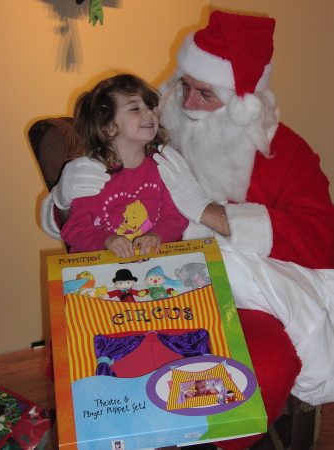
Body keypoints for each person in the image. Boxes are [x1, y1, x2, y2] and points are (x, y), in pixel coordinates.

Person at [40, 10, 334, 450]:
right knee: (85, 359)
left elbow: (321, 236)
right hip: (147, 278)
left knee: (261, 368)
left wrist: (207, 211)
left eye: (207, 94)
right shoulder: (155, 130)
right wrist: (62, 199)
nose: (188, 105)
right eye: (186, 88)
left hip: (244, 295)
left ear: (242, 104)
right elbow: (96, 209)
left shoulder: (286, 153)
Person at [59, 74, 188, 257]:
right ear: (109, 127)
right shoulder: (92, 174)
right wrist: (106, 240)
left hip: (151, 265)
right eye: (135, 108)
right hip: (100, 269)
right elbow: (74, 229)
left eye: (150, 106)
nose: (149, 113)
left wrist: (157, 235)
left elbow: (176, 217)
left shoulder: (163, 166)